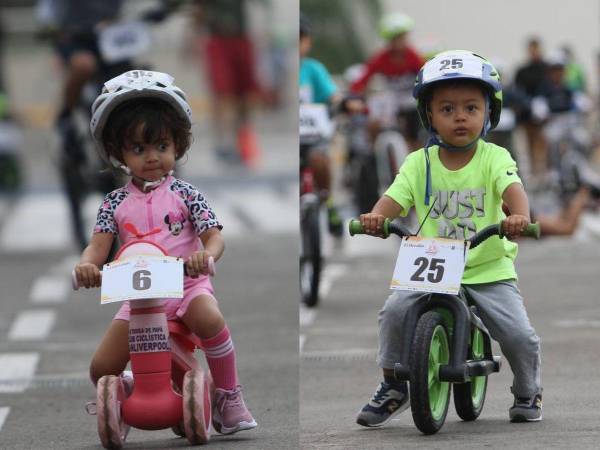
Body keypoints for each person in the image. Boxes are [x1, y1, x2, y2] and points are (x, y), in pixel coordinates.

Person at [356, 51, 542, 427]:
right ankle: (393, 384)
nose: (460, 116)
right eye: (447, 109)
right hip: (432, 265)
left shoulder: (494, 156)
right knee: (394, 312)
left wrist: (518, 215)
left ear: (488, 113)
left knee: (518, 335)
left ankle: (527, 389)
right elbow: (394, 199)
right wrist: (377, 218)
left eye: (471, 108)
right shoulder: (417, 163)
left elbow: (512, 188)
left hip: (486, 265)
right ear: (429, 116)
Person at [73, 70, 257, 435]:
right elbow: (98, 247)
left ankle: (228, 396)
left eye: (161, 146)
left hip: (187, 288)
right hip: (139, 296)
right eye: (138, 149)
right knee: (100, 368)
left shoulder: (187, 194)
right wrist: (86, 267)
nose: (152, 157)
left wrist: (205, 256)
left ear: (178, 145)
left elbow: (214, 237)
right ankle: (125, 387)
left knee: (210, 319)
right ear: (118, 153)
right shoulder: (114, 203)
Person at [191, 0, 262, 168]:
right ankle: (223, 143)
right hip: (218, 39)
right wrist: (193, 38)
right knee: (223, 94)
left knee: (244, 96)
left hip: (242, 37)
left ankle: (243, 141)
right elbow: (198, 10)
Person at [349, 12, 424, 151]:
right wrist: (354, 96)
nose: (400, 42)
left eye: (403, 37)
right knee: (374, 122)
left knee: (415, 133)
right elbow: (362, 80)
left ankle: (418, 157)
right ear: (389, 40)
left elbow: (426, 74)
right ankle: (374, 152)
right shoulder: (380, 59)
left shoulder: (413, 56)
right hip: (391, 101)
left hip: (411, 99)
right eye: (395, 38)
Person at [299, 12, 343, 236]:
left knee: (320, 161)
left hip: (312, 134)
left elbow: (333, 95)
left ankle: (328, 200)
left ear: (308, 41)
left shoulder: (313, 69)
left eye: (301, 38)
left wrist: (341, 103)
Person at [514, 37, 548, 176]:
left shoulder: (546, 69)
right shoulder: (523, 71)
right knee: (529, 143)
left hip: (544, 113)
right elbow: (517, 90)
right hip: (527, 113)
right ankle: (533, 172)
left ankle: (542, 170)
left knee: (542, 142)